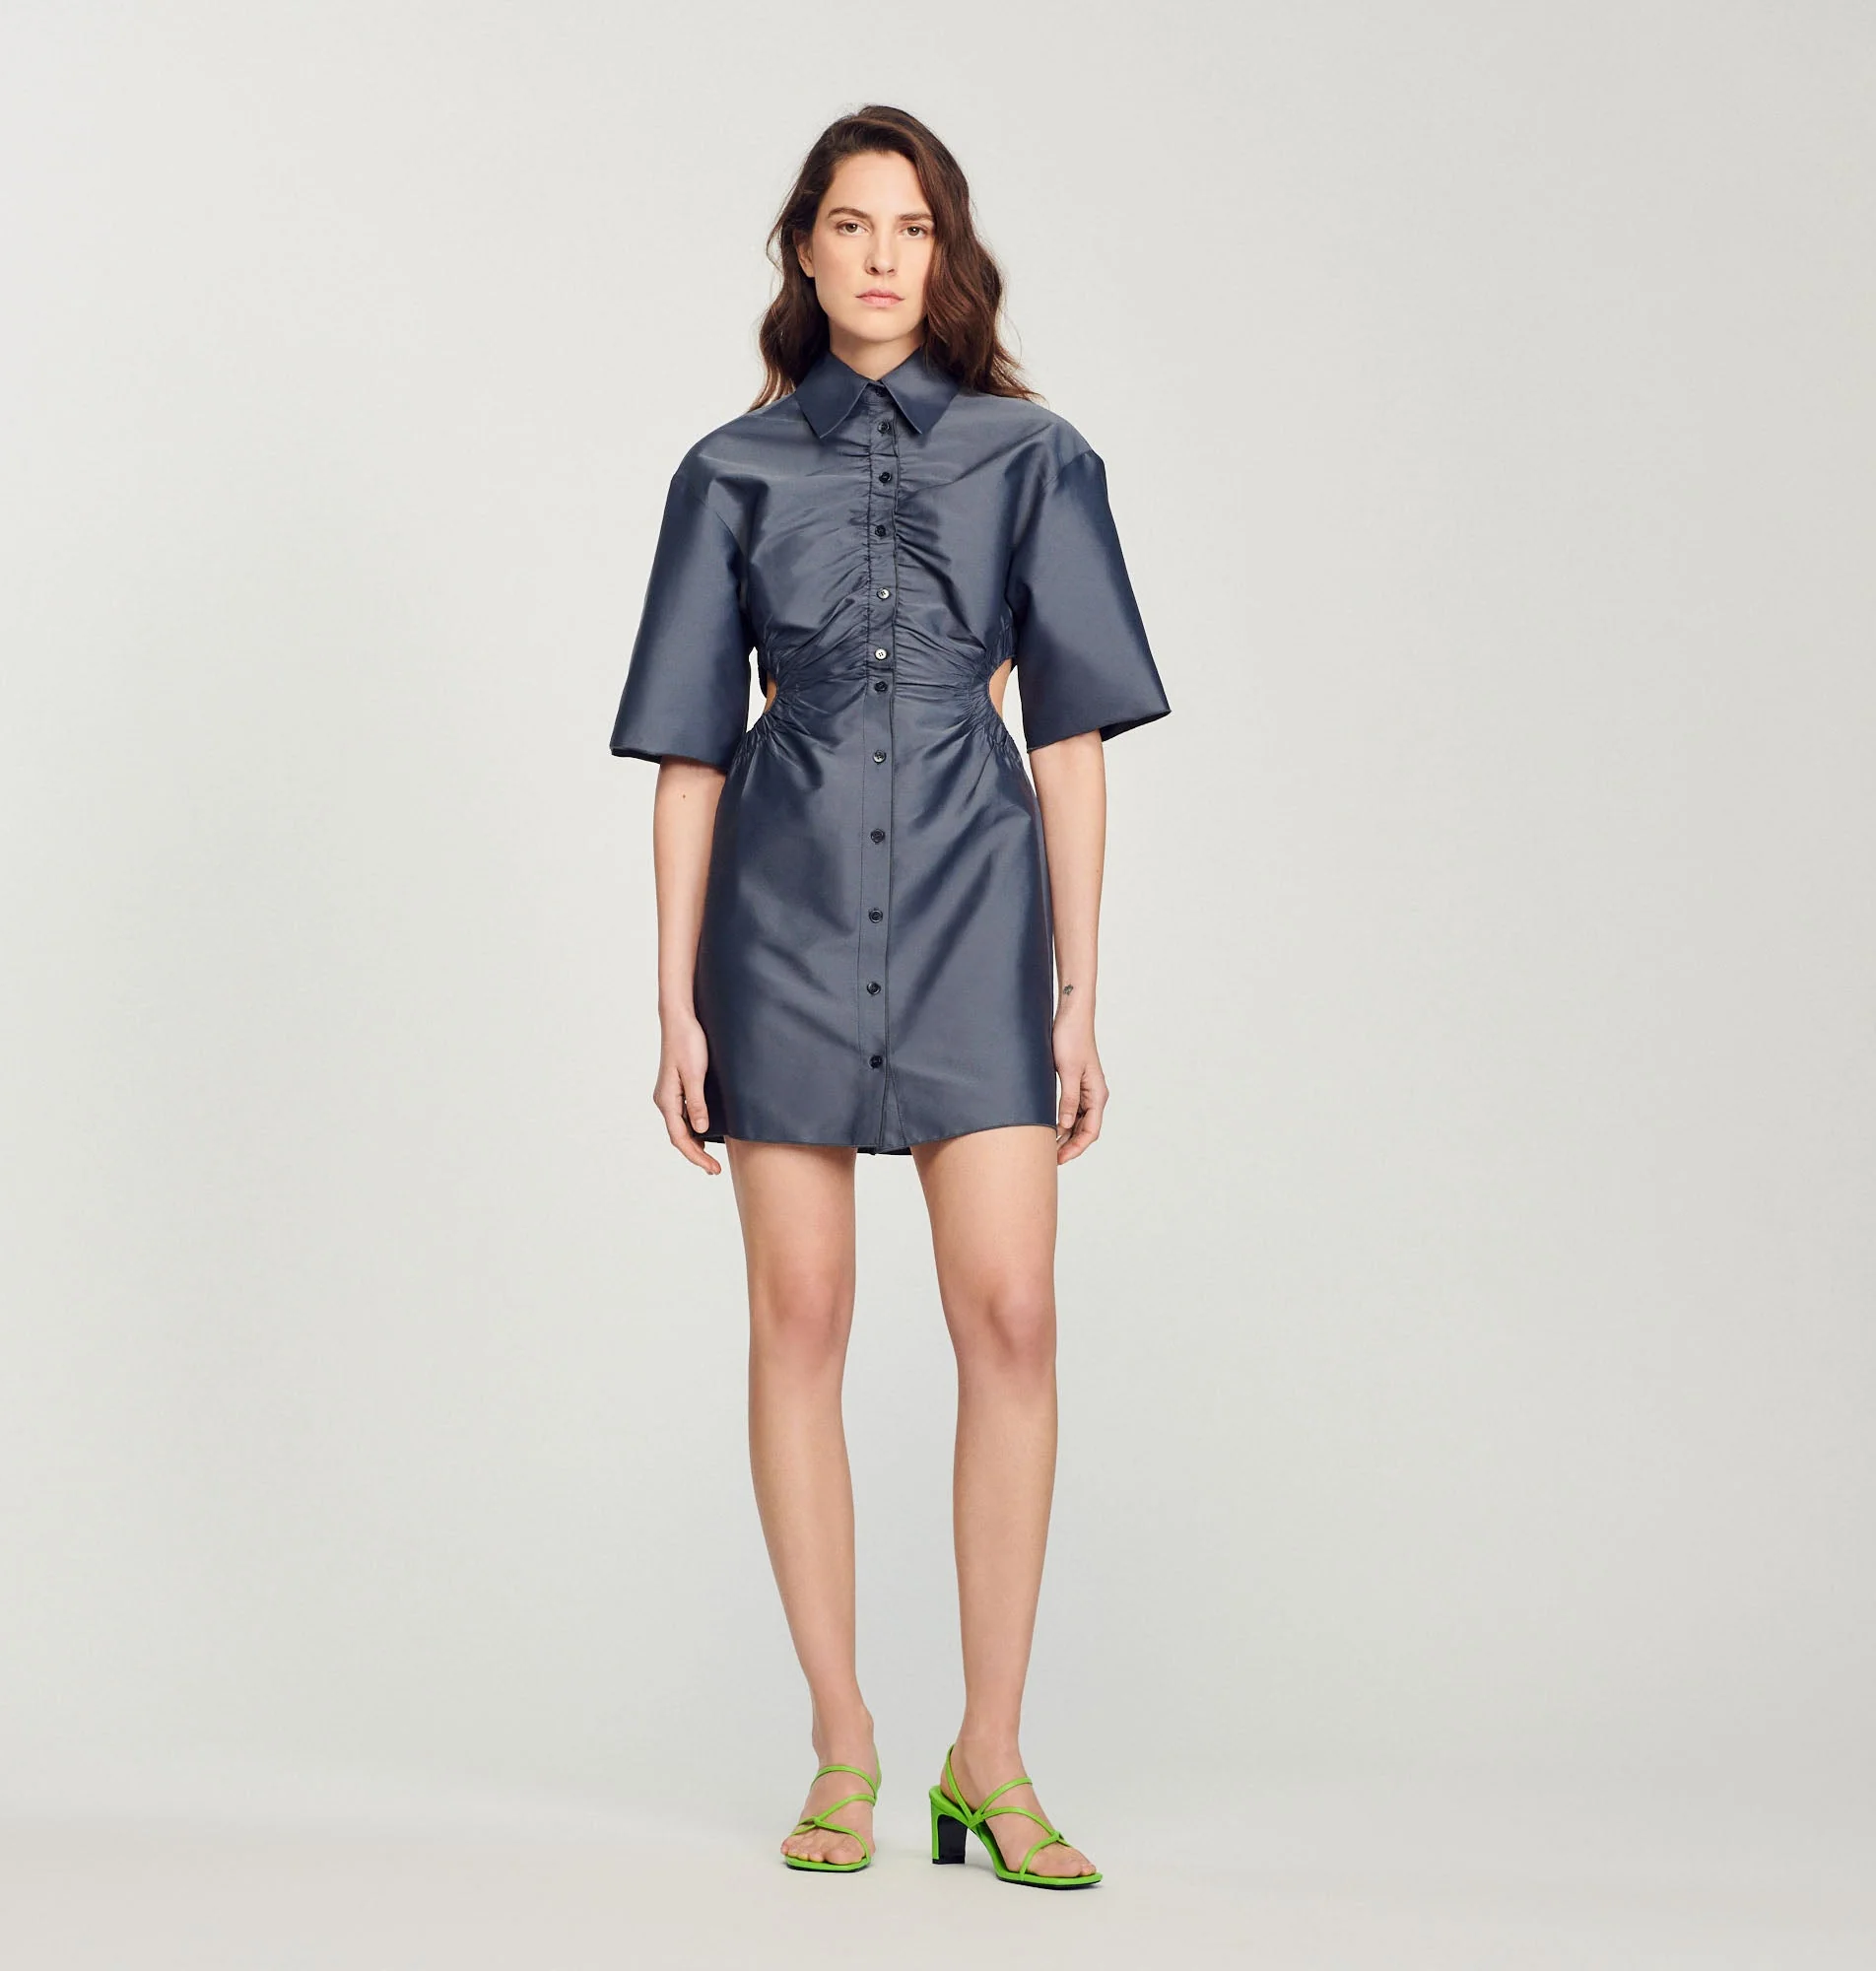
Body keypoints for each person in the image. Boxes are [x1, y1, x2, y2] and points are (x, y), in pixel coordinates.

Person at [608, 104, 1171, 1888]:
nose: (880, 256)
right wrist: (677, 1003)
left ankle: (988, 1758)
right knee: (801, 1316)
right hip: (775, 920)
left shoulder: (1036, 457)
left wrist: (1079, 995)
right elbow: (689, 756)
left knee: (1013, 1315)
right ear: (805, 246)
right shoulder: (728, 471)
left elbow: (1070, 741)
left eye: (911, 228)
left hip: (973, 913)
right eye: (851, 225)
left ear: (947, 254)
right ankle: (842, 1742)